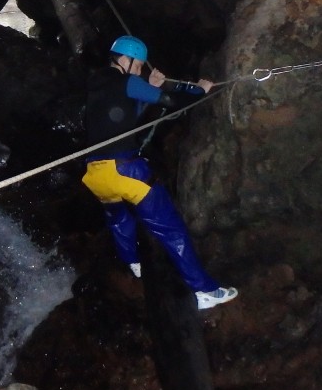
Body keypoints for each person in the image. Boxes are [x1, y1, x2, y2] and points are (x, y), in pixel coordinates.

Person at [83, 35, 238, 310]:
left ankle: (133, 263)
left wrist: (148, 87)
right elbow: (171, 100)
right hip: (125, 171)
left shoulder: (96, 83)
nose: (140, 70)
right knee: (171, 229)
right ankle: (204, 292)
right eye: (139, 65)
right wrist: (200, 90)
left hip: (95, 175)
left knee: (119, 219)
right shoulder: (128, 82)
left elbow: (124, 117)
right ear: (125, 60)